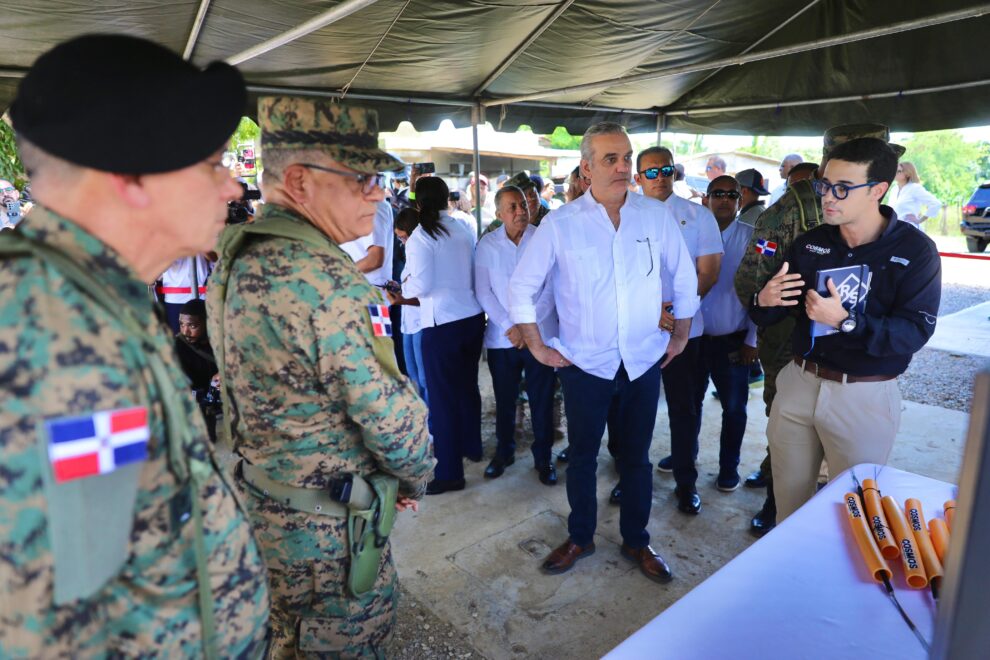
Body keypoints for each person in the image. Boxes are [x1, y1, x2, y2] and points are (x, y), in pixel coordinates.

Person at [0, 34, 268, 656]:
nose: (232, 188)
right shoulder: (50, 338)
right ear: (133, 176)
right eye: (212, 164)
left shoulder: (91, 300)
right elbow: (46, 630)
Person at [209, 96, 435, 656]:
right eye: (362, 178)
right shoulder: (329, 283)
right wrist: (413, 479)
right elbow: (393, 422)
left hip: (264, 512)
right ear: (300, 182)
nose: (379, 193)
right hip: (329, 539)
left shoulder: (240, 256)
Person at [510, 121, 698, 583]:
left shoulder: (654, 217)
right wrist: (537, 345)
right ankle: (581, 536)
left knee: (636, 459)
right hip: (585, 366)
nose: (622, 168)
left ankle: (637, 539)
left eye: (627, 158)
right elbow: (521, 288)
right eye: (610, 159)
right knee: (582, 457)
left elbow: (684, 277)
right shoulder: (561, 224)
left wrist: (681, 336)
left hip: (642, 362)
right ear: (586, 168)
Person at [750, 136, 941, 522]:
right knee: (788, 506)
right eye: (825, 185)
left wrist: (845, 321)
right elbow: (772, 314)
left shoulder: (915, 252)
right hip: (800, 383)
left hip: (864, 396)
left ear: (878, 190)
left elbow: (913, 333)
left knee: (854, 515)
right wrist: (764, 301)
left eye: (842, 188)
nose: (827, 197)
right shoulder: (811, 244)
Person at [734, 123, 901, 537]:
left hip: (859, 366)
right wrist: (775, 306)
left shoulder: (900, 237)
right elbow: (750, 278)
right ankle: (776, 505)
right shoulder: (790, 212)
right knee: (789, 439)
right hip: (794, 345)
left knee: (849, 482)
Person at [633, 147, 723, 515]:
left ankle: (686, 483)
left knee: (684, 410)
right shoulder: (624, 216)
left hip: (686, 331)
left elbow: (709, 272)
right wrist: (651, 311)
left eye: (666, 169)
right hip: (637, 331)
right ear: (638, 177)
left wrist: (675, 314)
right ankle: (630, 478)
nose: (660, 177)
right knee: (633, 410)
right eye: (651, 172)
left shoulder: (699, 215)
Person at [389, 175, 483, 495]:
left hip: (442, 324)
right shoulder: (462, 227)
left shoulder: (421, 236)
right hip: (471, 318)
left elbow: (423, 286)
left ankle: (450, 473)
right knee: (467, 389)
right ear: (446, 199)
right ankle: (472, 446)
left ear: (418, 203)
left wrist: (402, 291)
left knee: (442, 400)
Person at [475, 185, 558, 485]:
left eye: (523, 204)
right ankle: (504, 451)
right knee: (505, 398)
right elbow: (483, 291)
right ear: (499, 214)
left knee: (542, 399)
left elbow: (551, 287)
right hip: (503, 337)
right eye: (512, 207)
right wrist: (511, 325)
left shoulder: (542, 238)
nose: (520, 211)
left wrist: (528, 325)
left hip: (540, 336)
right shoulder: (487, 244)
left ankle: (543, 458)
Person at [696, 176, 759, 491]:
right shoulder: (691, 232)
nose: (724, 199)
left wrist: (753, 340)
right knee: (688, 404)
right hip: (692, 339)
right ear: (705, 199)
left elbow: (761, 290)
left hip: (733, 341)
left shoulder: (752, 239)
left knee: (734, 408)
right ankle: (684, 456)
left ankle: (728, 468)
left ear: (740, 200)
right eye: (717, 193)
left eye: (731, 194)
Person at [173, 299, 221, 443]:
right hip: (195, 397)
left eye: (192, 326)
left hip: (218, 392)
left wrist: (224, 374)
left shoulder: (219, 340)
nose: (185, 331)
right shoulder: (178, 345)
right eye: (182, 325)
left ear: (207, 323)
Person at [393, 207, 428, 402]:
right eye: (399, 238)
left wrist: (401, 299)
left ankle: (432, 417)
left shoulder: (424, 253)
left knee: (425, 378)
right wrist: (398, 288)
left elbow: (427, 294)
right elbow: (410, 285)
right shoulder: (409, 253)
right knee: (413, 375)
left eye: (404, 237)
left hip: (422, 322)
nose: (402, 242)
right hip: (408, 323)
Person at [340, 200, 395, 300]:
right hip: (356, 288)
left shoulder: (372, 207)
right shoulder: (356, 206)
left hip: (367, 293)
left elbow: (374, 260)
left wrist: (338, 273)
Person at [157, 253, 212, 334]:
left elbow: (215, 258)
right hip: (175, 299)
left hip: (202, 296)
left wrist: (200, 246)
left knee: (203, 337)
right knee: (178, 337)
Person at [893, 161, 942, 228]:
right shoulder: (894, 189)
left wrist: (919, 220)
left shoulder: (914, 188)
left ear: (907, 173)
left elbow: (935, 203)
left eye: (899, 171)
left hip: (908, 229)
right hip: (894, 229)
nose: (895, 173)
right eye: (894, 170)